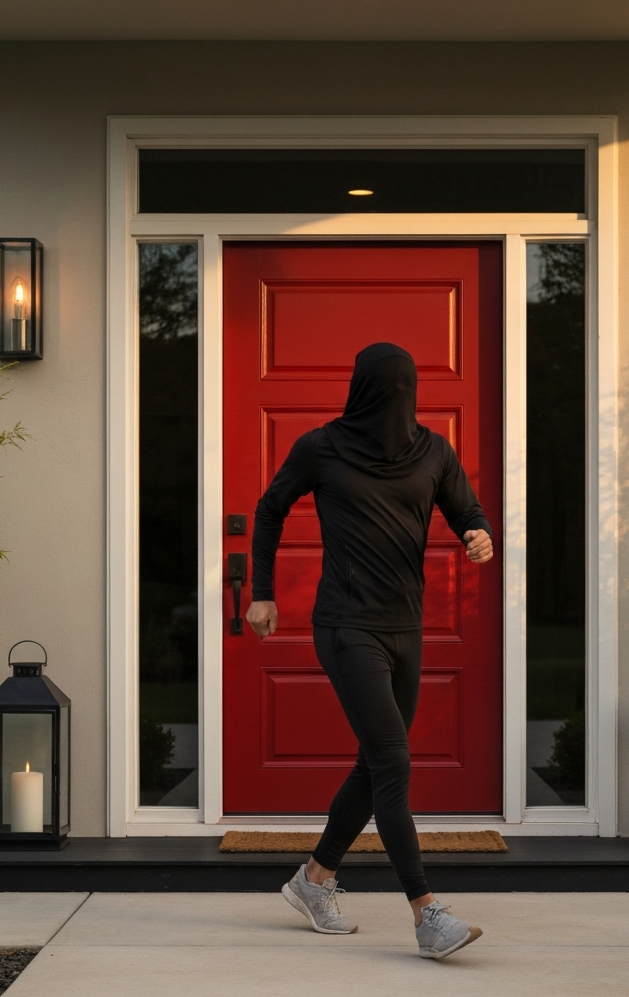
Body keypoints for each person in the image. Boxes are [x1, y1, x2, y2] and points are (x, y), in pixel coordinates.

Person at [246, 341, 494, 960]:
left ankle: (315, 879)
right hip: (345, 625)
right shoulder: (320, 448)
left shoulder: (433, 451)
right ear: (363, 392)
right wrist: (264, 593)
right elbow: (270, 508)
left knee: (375, 762)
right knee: (393, 759)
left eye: (405, 391)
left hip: (405, 627)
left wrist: (477, 531)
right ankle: (426, 914)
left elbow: (465, 505)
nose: (397, 402)